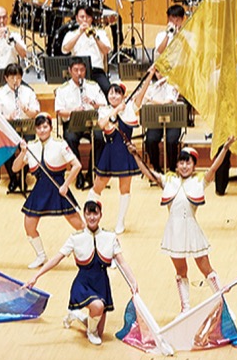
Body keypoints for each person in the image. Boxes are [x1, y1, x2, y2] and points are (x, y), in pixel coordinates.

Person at [129, 139, 234, 312]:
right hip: (174, 233)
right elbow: (148, 173)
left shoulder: (200, 182)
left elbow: (214, 167)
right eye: (181, 162)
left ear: (194, 166)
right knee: (181, 272)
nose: (184, 166)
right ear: (177, 165)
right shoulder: (168, 181)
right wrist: (134, 154)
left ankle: (222, 304)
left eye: (188, 162)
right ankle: (185, 308)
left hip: (191, 231)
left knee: (206, 269)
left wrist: (225, 148)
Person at [27, 200, 138, 345]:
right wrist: (36, 276)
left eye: (95, 213)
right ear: (84, 216)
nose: (92, 217)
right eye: (88, 214)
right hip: (83, 283)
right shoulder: (75, 238)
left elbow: (122, 262)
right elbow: (56, 259)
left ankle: (76, 315)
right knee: (97, 308)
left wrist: (133, 282)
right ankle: (90, 332)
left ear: (100, 215)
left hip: (102, 284)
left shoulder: (110, 237)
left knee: (100, 330)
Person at [13, 113, 84, 269]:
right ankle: (40, 256)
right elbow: (15, 168)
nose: (42, 130)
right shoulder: (31, 146)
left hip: (59, 188)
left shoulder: (60, 144)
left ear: (51, 128)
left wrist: (66, 185)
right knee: (29, 224)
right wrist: (23, 152)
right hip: (40, 188)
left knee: (79, 224)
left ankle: (94, 251)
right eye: (39, 127)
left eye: (45, 126)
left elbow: (77, 165)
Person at [90, 74, 152, 234]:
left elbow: (142, 92)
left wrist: (150, 74)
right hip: (109, 152)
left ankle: (120, 222)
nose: (113, 95)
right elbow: (102, 125)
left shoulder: (131, 108)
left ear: (123, 95)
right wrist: (116, 110)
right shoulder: (103, 109)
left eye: (117, 92)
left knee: (124, 189)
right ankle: (89, 218)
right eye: (111, 92)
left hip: (125, 152)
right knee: (97, 187)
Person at [54, 57, 107, 190]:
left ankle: (91, 172)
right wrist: (73, 112)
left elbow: (104, 105)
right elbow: (59, 111)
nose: (79, 73)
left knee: (100, 138)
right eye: (76, 70)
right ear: (70, 71)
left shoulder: (93, 86)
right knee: (70, 139)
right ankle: (78, 175)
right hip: (73, 123)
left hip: (91, 121)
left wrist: (93, 103)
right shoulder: (62, 89)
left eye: (82, 70)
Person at [0, 63, 41, 192]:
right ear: (6, 78)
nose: (15, 81)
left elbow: (35, 112)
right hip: (7, 129)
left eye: (18, 77)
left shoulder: (28, 92)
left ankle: (23, 177)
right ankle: (13, 178)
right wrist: (8, 117)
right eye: (12, 77)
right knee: (6, 149)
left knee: (29, 147)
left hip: (26, 127)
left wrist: (26, 110)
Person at [61, 6, 113, 96]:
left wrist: (95, 36)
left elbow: (106, 51)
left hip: (96, 71)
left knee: (108, 92)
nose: (85, 20)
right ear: (77, 18)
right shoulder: (71, 34)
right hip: (78, 71)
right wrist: (79, 33)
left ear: (91, 18)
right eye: (82, 17)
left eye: (88, 17)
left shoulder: (100, 33)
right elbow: (65, 49)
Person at [141, 68, 184, 173]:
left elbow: (167, 102)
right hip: (155, 121)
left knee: (171, 141)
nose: (160, 74)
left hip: (173, 120)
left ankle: (173, 169)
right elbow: (141, 101)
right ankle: (156, 168)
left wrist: (150, 99)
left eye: (163, 71)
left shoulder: (173, 85)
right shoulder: (152, 87)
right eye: (158, 72)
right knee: (150, 140)